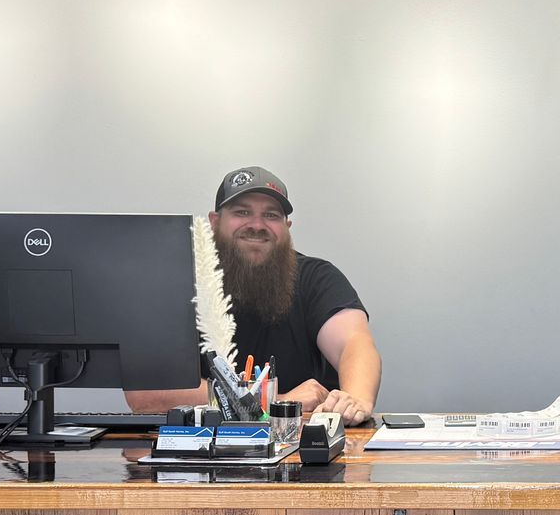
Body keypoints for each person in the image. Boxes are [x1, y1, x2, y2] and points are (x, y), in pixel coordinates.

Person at [126, 166, 382, 424]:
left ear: (287, 227)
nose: (257, 225)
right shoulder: (174, 284)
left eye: (271, 215)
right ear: (215, 221)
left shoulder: (317, 278)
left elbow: (354, 342)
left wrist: (355, 401)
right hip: (194, 451)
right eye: (242, 212)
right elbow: (145, 395)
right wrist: (271, 402)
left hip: (300, 451)